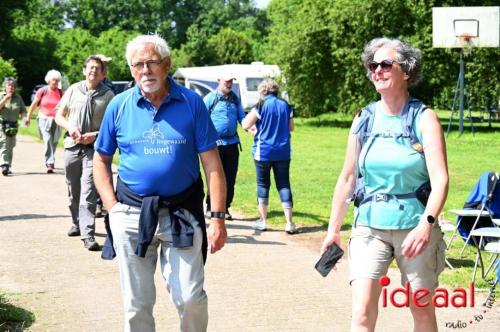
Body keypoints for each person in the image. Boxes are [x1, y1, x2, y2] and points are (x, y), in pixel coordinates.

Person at [93, 34, 227, 332]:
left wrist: (217, 218)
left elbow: (213, 165)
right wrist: (112, 209)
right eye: (138, 65)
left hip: (183, 212)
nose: (145, 71)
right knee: (136, 304)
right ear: (130, 70)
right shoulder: (118, 106)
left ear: (166, 64)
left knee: (190, 297)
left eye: (152, 63)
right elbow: (100, 160)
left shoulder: (192, 103)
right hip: (130, 214)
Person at [320, 37, 448, 332]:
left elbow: (440, 179)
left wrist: (426, 223)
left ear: (406, 71)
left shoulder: (424, 118)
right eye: (372, 65)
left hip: (415, 228)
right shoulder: (363, 118)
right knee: (362, 311)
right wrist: (333, 230)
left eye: (385, 64)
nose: (377, 70)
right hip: (369, 226)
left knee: (421, 308)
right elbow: (348, 178)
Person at [54, 55, 114, 250]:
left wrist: (95, 135)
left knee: (89, 190)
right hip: (72, 145)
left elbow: (111, 125)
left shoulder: (108, 95)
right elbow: (58, 116)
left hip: (94, 149)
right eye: (90, 68)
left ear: (103, 73)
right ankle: (76, 221)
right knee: (73, 188)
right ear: (84, 70)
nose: (93, 71)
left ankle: (88, 234)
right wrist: (70, 128)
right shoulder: (73, 90)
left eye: (98, 68)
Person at [242, 78, 297, 234]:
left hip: (263, 151)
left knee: (263, 184)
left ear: (263, 91)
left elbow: (246, 124)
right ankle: (289, 223)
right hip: (283, 151)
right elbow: (291, 127)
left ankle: (263, 221)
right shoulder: (285, 105)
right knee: (284, 184)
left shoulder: (260, 105)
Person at [203, 73, 245, 220]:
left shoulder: (235, 99)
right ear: (218, 81)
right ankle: (210, 207)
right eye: (226, 81)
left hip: (232, 144)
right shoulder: (210, 98)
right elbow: (201, 120)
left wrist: (252, 127)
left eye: (231, 81)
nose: (229, 84)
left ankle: (225, 208)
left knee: (230, 178)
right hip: (215, 145)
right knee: (214, 177)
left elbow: (243, 119)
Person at [25, 69, 64, 173]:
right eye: (53, 80)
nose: (55, 82)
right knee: (47, 139)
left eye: (57, 80)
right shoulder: (42, 91)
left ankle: (50, 158)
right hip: (43, 118)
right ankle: (50, 162)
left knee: (54, 141)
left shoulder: (61, 93)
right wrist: (28, 117)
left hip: (56, 120)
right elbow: (34, 104)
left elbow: (65, 107)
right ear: (48, 80)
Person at [0, 77, 26, 176]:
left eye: (13, 86)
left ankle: (8, 166)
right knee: (3, 143)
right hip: (1, 124)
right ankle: (4, 164)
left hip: (13, 126)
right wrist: (5, 99)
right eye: (9, 85)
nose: (11, 87)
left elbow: (23, 110)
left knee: (11, 145)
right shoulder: (1, 95)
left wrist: (24, 119)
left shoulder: (18, 98)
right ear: (5, 86)